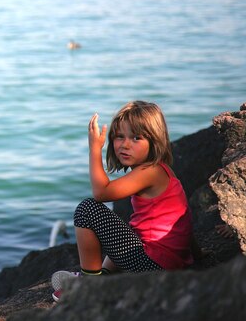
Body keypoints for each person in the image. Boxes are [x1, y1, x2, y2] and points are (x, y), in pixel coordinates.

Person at [51, 101, 194, 302]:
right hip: (167, 264)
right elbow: (183, 218)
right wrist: (197, 255)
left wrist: (94, 149)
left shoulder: (149, 172)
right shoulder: (164, 171)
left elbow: (101, 193)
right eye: (119, 137)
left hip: (154, 266)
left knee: (87, 209)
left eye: (136, 138)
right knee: (132, 228)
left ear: (155, 141)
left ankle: (90, 285)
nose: (125, 145)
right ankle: (105, 277)